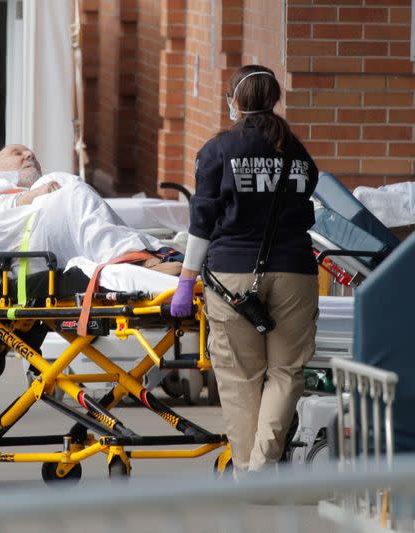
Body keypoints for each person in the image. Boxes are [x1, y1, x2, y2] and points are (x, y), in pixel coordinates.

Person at [169, 65, 319, 476]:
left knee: (239, 377)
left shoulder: (218, 151)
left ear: (235, 101)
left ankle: (247, 474)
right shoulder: (298, 152)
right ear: (273, 99)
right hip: (295, 272)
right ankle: (262, 465)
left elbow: (202, 222)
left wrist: (185, 281)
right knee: (286, 373)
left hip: (232, 275)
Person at [0, 144, 182, 295]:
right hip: (33, 257)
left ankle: (137, 256)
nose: (29, 155)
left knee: (68, 186)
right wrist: (32, 196)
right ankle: (133, 259)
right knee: (71, 190)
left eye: (31, 153)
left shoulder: (45, 189)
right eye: (17, 152)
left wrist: (36, 195)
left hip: (50, 241)